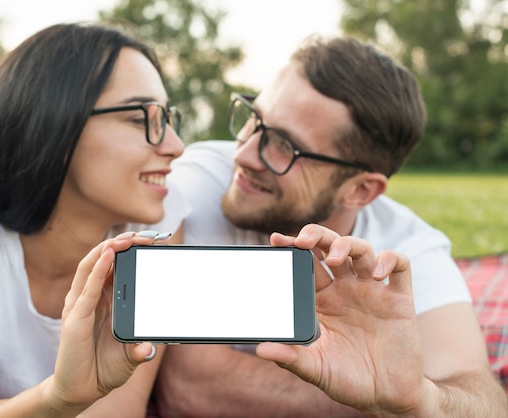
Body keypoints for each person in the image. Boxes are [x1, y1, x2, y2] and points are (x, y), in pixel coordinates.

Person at [151, 35, 508, 416]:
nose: (244, 153)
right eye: (254, 119)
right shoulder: (199, 182)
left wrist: (419, 397)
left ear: (360, 190)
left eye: (285, 146)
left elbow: (480, 396)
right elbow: (188, 387)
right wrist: (375, 404)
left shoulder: (408, 249)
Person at [0, 22, 187, 418]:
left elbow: (119, 408)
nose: (176, 147)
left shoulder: (162, 222)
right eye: (139, 119)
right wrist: (59, 399)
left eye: (168, 118)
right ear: (55, 125)